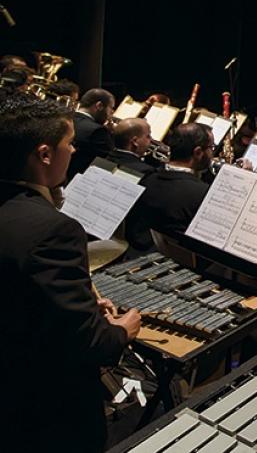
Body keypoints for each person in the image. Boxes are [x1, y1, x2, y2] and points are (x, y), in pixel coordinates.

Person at [0, 95, 140, 452]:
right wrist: (121, 330)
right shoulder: (53, 230)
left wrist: (82, 300)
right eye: (69, 143)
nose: (74, 150)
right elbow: (88, 344)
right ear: (45, 154)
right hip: (39, 413)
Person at [125, 123, 213, 252]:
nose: (212, 153)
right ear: (198, 152)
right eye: (211, 147)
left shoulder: (145, 179)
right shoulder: (203, 194)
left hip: (140, 252)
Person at [69, 87, 116, 178]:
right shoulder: (98, 131)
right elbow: (111, 162)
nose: (112, 113)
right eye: (111, 108)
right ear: (99, 106)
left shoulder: (65, 119)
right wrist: (111, 134)